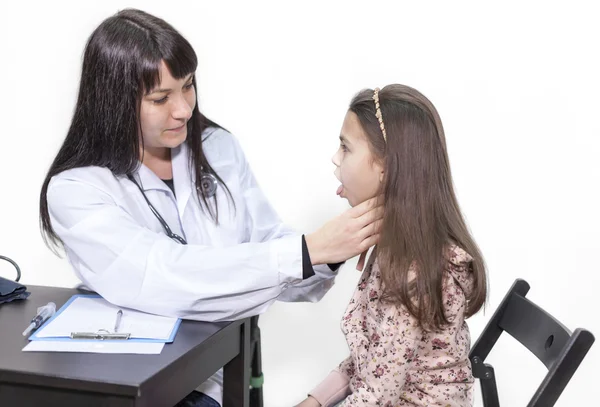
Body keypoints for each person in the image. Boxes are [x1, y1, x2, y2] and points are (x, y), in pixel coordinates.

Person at [38, 9, 382, 407]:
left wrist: (330, 253)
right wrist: (308, 250)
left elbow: (266, 241)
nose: (183, 108)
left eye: (187, 86)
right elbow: (163, 278)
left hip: (218, 373)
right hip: (134, 388)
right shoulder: (76, 189)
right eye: (161, 98)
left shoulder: (216, 147)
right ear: (113, 102)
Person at [296, 85, 487, 407]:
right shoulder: (396, 247)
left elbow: (376, 394)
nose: (335, 157)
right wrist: (315, 400)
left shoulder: (420, 270)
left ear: (385, 166)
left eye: (345, 147)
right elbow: (375, 360)